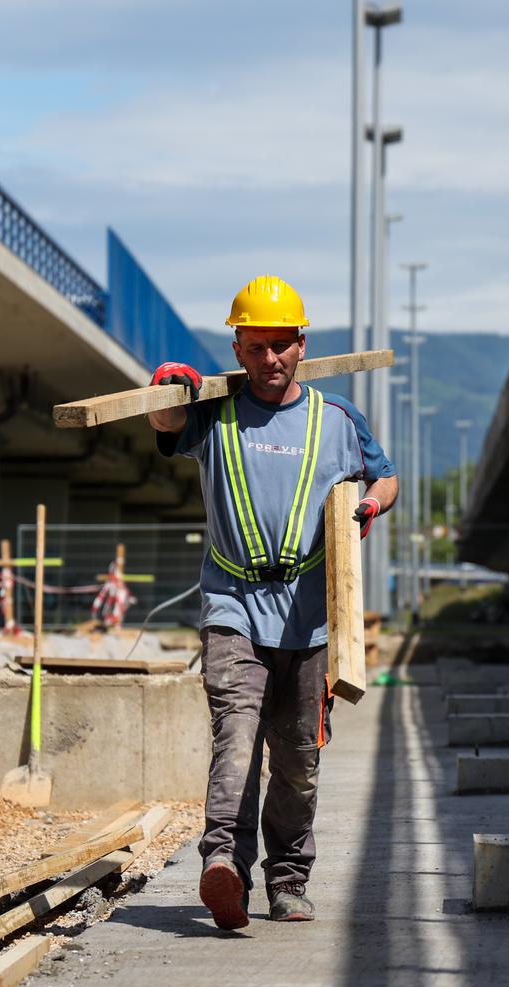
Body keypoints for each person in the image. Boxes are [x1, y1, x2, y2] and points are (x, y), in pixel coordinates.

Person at [147, 274, 398, 929]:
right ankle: (221, 864)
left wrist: (368, 504)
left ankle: (287, 882)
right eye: (256, 347)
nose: (269, 359)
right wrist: (165, 389)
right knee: (235, 739)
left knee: (297, 760)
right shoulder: (215, 413)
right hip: (232, 607)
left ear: (300, 345)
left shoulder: (336, 420)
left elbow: (386, 473)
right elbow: (167, 426)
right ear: (237, 348)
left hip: (312, 620)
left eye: (280, 345)